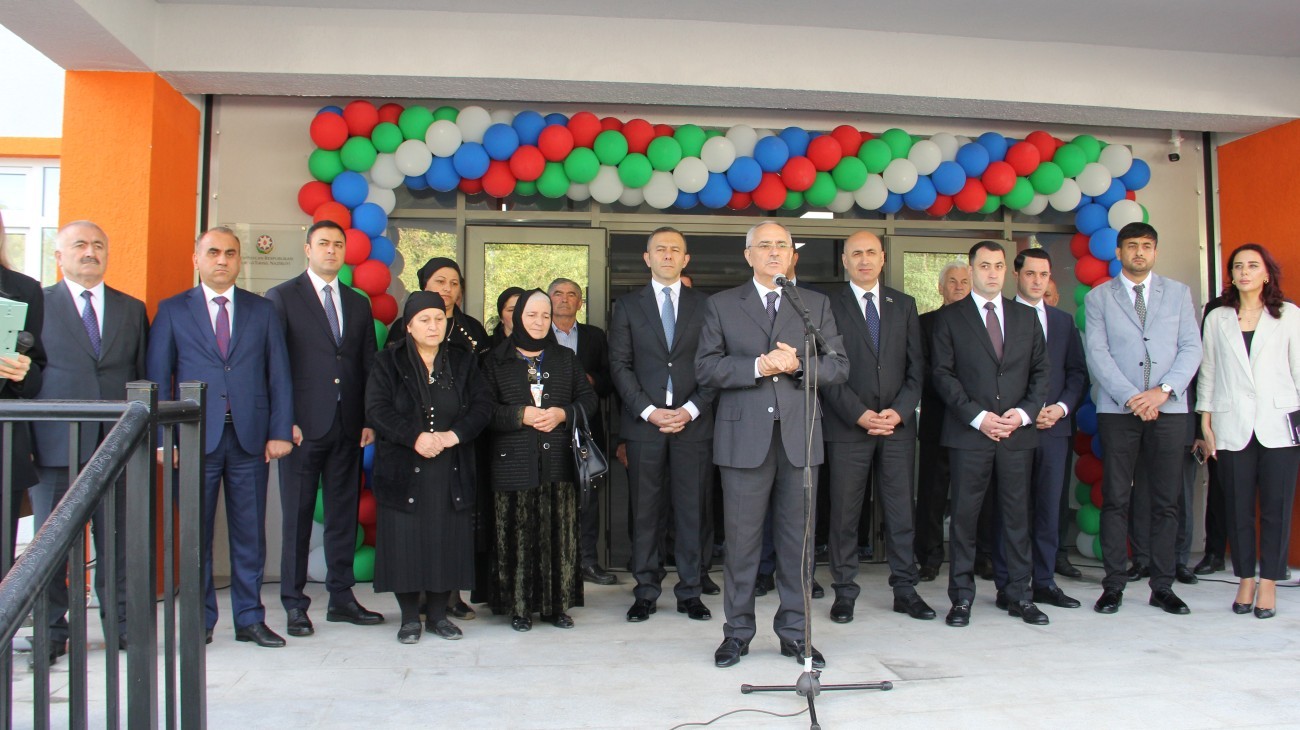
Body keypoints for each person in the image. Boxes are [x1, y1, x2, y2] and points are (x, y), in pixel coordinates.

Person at [696, 220, 848, 669]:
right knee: (741, 544)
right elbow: (706, 369)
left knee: (798, 544)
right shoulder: (722, 304)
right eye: (764, 245)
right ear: (749, 255)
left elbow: (838, 366)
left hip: (800, 438)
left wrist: (798, 365)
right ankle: (737, 633)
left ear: (792, 254)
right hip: (744, 440)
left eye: (782, 245)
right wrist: (758, 367)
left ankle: (796, 634)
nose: (774, 252)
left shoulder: (814, 304)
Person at [146, 227, 294, 647]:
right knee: (195, 535)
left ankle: (249, 619)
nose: (222, 260)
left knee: (250, 535)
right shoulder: (172, 310)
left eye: (230, 253)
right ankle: (199, 620)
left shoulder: (262, 310)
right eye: (213, 252)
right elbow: (158, 377)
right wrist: (163, 440)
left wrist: (280, 431)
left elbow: (279, 374)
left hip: (250, 440)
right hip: (193, 440)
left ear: (239, 260)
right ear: (196, 259)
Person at [29, 221, 145, 663]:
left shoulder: (131, 309)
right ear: (59, 255)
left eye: (98, 245)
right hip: (54, 446)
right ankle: (50, 632)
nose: (90, 252)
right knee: (51, 545)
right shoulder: (38, 305)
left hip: (116, 446)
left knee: (118, 544)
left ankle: (122, 626)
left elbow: (140, 376)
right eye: (79, 245)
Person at [265, 220, 383, 639]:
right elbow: (274, 365)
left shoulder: (357, 303)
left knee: (342, 516)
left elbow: (368, 363)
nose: (331, 250)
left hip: (348, 427)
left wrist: (368, 418)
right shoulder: (281, 297)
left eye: (337, 244)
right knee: (297, 519)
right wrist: (283, 421)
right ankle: (294, 603)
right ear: (308, 249)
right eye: (323, 244)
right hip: (301, 429)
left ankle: (341, 598)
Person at [1083, 222, 1202, 616]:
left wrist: (1162, 391)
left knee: (1167, 500)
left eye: (1147, 246)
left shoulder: (1179, 294)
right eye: (1131, 246)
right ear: (1119, 252)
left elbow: (1191, 348)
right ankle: (1114, 585)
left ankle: (1162, 586)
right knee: (1116, 499)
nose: (1139, 252)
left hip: (1168, 408)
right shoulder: (1099, 298)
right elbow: (1098, 353)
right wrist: (1133, 397)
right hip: (1119, 410)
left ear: (1155, 252)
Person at [930, 240, 1049, 627]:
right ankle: (961, 598)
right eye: (984, 266)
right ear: (971, 269)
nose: (992, 273)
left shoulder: (1026, 317)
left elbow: (1041, 372)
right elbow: (942, 375)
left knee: (1016, 518)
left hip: (1016, 434)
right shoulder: (951, 318)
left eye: (998, 266)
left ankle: (1018, 594)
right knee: (964, 519)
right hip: (970, 435)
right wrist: (978, 417)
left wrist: (1024, 414)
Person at [366, 292, 492, 642]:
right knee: (405, 542)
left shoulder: (463, 361)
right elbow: (377, 409)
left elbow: (482, 406)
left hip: (451, 466)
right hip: (404, 466)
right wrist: (414, 437)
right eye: (424, 320)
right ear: (409, 326)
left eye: (439, 319)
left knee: (446, 542)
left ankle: (438, 615)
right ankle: (410, 618)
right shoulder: (387, 362)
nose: (433, 326)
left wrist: (454, 435)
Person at [608, 227, 717, 623]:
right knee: (645, 514)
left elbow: (715, 363)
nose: (668, 255)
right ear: (647, 258)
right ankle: (646, 592)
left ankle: (691, 591)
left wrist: (691, 409)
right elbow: (619, 365)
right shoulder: (627, 306)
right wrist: (648, 411)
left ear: (686, 259)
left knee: (692, 512)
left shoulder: (707, 305)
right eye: (660, 249)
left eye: (675, 250)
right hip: (644, 426)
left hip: (693, 425)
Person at [822, 231, 931, 623]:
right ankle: (844, 592)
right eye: (856, 253)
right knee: (845, 515)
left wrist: (899, 412)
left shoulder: (904, 304)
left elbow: (917, 368)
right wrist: (859, 413)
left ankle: (905, 589)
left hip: (896, 428)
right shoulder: (828, 304)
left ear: (883, 258)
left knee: (901, 513)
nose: (864, 260)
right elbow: (825, 369)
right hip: (848, 427)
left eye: (871, 253)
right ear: (845, 260)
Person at [481, 289, 597, 631]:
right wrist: (520, 415)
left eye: (545, 315)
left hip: (558, 462)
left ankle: (555, 606)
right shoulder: (495, 360)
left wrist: (563, 413)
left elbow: (588, 400)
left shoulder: (564, 358)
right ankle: (518, 608)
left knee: (557, 537)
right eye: (531, 315)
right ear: (518, 317)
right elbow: (483, 410)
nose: (539, 321)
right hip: (512, 463)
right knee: (516, 537)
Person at [1198, 243, 1300, 619]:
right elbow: (1208, 371)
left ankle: (1269, 582)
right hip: (1231, 423)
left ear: (1266, 273)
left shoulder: (1289, 315)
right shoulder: (1218, 318)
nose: (1244, 272)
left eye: (1252, 266)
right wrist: (1205, 419)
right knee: (1237, 508)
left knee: (1276, 508)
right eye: (1238, 266)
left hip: (1279, 425)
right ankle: (1244, 579)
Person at [989, 248, 1086, 610]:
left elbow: (1077, 372)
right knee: (1010, 510)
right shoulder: (1001, 316)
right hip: (1012, 429)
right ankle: (1008, 585)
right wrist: (1024, 413)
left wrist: (1060, 408)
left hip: (1054, 430)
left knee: (1049, 509)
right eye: (1030, 274)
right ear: (1017, 275)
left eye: (1043, 275)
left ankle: (1044, 581)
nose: (1037, 281)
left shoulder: (1062, 322)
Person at [547, 277, 616, 585]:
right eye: (558, 294)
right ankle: (553, 564)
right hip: (548, 428)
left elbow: (610, 380)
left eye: (571, 294)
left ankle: (587, 561)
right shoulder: (537, 333)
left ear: (580, 303)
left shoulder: (594, 336)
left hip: (586, 429)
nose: (564, 299)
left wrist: (592, 381)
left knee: (587, 498)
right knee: (549, 498)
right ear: (549, 299)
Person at [914, 262, 969, 582]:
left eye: (964, 281)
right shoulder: (925, 324)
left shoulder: (982, 323)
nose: (958, 286)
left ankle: (978, 557)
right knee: (932, 494)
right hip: (938, 420)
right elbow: (922, 371)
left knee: (974, 496)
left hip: (976, 426)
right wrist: (961, 398)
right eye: (952, 281)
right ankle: (929, 557)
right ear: (940, 287)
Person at [389, 258, 490, 356]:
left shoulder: (473, 328)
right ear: (425, 285)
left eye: (454, 283)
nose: (448, 288)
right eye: (440, 281)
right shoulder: (404, 325)